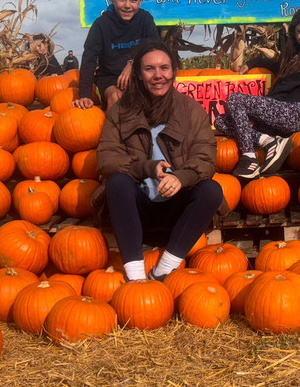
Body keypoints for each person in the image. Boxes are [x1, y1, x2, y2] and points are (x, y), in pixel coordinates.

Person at [94, 40, 223, 282]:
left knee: (211, 190)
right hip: (137, 206)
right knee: (117, 183)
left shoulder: (190, 109)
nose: (158, 75)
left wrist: (182, 177)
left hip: (178, 206)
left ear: (173, 71)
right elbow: (107, 160)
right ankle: (135, 278)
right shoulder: (120, 111)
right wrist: (146, 168)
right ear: (138, 74)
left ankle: (163, 270)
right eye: (149, 69)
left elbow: (205, 155)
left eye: (164, 68)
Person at [213, 5, 300, 180]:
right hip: (275, 114)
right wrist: (254, 62)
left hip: (290, 112)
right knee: (221, 121)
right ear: (294, 32)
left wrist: (255, 114)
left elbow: (289, 83)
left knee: (235, 99)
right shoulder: (295, 54)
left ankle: (249, 157)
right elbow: (279, 66)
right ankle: (268, 141)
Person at [76, 0, 159, 110]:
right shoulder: (101, 25)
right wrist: (84, 95)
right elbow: (89, 59)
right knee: (116, 97)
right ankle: (114, 124)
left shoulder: (145, 20)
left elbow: (154, 48)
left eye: (133, 0)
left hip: (140, 76)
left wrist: (133, 63)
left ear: (140, 0)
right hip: (109, 79)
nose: (127, 5)